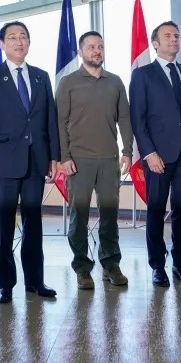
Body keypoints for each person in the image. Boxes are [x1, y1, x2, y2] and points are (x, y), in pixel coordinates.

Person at [0, 21, 60, 304]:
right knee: (4, 226)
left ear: (29, 42)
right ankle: (5, 284)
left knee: (34, 223)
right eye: (12, 37)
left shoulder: (41, 77)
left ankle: (35, 281)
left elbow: (50, 119)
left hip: (37, 162)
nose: (18, 41)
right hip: (4, 163)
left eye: (23, 36)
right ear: (2, 44)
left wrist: (54, 156)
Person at [56, 30, 133, 290]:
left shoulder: (115, 82)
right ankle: (82, 268)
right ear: (81, 52)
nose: (96, 50)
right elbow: (59, 122)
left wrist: (127, 151)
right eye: (90, 47)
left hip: (109, 160)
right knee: (78, 217)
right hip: (78, 161)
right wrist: (64, 157)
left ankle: (111, 264)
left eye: (100, 46)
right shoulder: (68, 83)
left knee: (109, 215)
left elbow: (124, 119)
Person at [130, 21, 181, 287]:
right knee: (157, 209)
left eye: (176, 35)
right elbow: (137, 119)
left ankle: (180, 265)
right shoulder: (143, 75)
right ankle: (157, 266)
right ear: (155, 43)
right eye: (167, 35)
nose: (173, 39)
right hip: (158, 154)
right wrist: (148, 153)